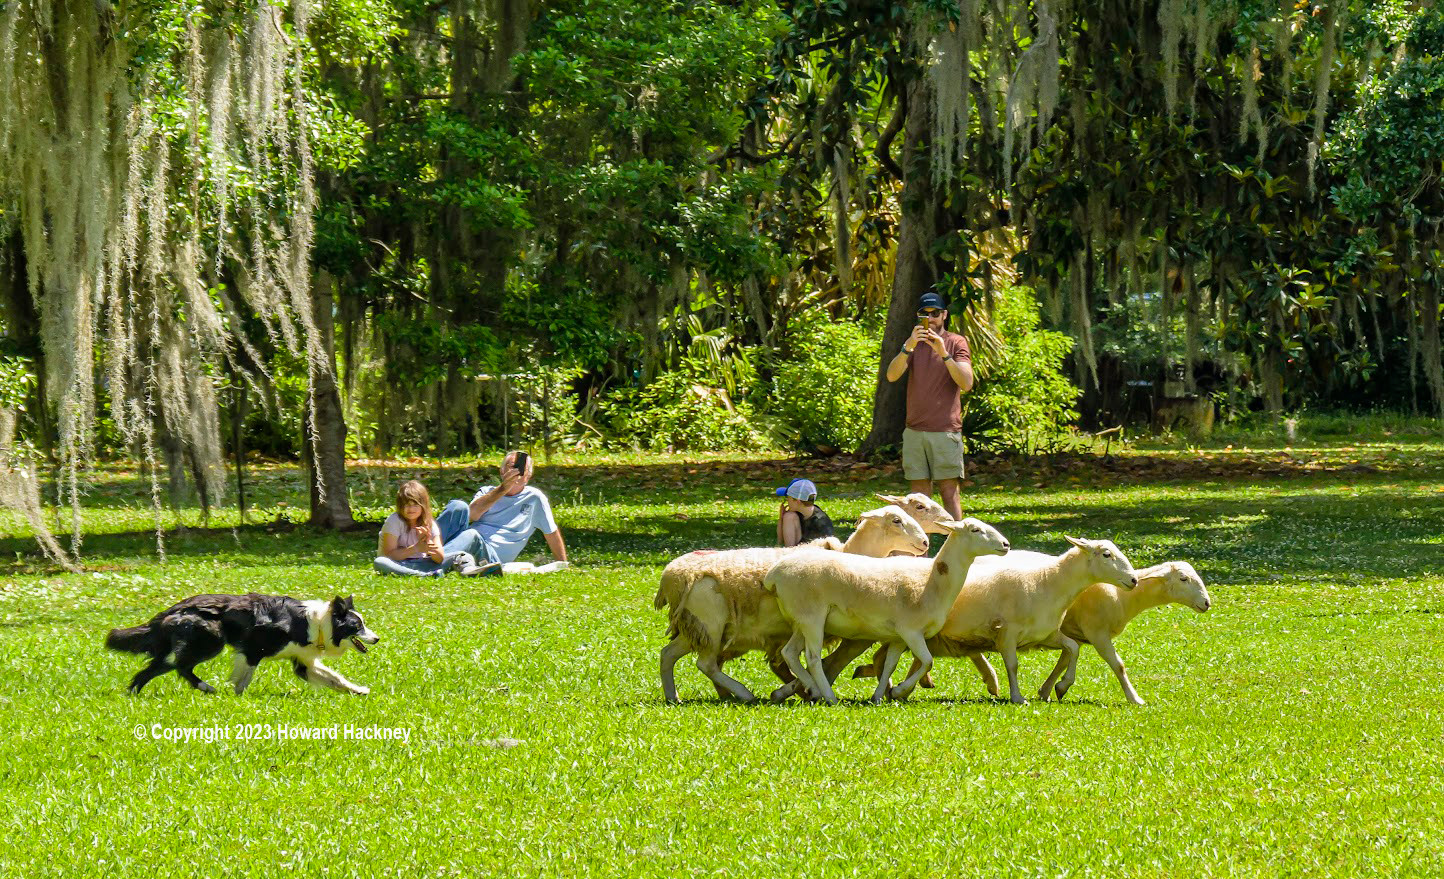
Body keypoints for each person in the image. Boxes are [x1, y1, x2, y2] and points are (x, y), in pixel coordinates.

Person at [884, 290, 974, 521]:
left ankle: (956, 546)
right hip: (915, 431)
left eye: (935, 313)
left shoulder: (956, 342)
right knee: (919, 498)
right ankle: (920, 551)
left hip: (945, 431)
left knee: (949, 492)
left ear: (944, 315)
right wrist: (908, 346)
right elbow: (892, 376)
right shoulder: (913, 344)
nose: (930, 318)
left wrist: (943, 353)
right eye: (925, 313)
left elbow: (966, 383)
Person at [435, 451, 568, 573]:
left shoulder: (535, 498)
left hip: (490, 555)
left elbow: (551, 532)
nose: (517, 472)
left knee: (472, 535)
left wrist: (563, 564)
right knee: (457, 506)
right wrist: (503, 489)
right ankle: (424, 552)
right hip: (466, 542)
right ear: (502, 471)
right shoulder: (487, 491)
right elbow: (472, 515)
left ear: (528, 476)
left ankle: (427, 565)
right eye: (512, 467)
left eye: (522, 468)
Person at [374, 480, 485, 577]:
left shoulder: (429, 523)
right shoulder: (394, 521)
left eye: (415, 505)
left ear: (423, 506)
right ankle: (424, 576)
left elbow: (439, 558)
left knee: (462, 555)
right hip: (400, 565)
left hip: (425, 563)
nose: (411, 509)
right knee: (380, 562)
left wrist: (428, 544)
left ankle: (470, 570)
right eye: (406, 505)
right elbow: (390, 555)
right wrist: (416, 548)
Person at [776, 478, 834, 547]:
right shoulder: (796, 513)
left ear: (798, 501)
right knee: (789, 516)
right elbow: (780, 541)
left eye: (788, 498)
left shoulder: (821, 524)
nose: (787, 501)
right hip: (798, 549)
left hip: (811, 553)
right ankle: (788, 551)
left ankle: (790, 552)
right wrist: (781, 518)